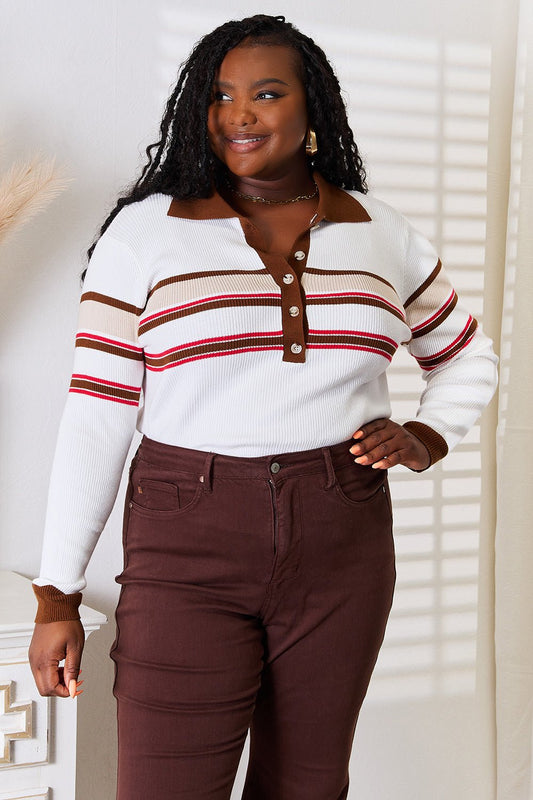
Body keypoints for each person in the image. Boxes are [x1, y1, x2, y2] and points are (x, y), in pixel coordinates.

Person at [28, 13, 498, 800]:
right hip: (187, 540)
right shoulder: (144, 237)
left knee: (307, 786)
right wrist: (56, 594)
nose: (238, 113)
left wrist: (425, 432)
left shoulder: (382, 233)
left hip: (340, 534)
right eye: (218, 95)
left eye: (266, 93)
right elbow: (97, 414)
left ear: (311, 108)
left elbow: (466, 355)